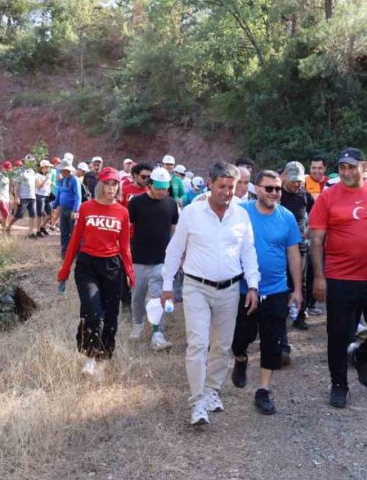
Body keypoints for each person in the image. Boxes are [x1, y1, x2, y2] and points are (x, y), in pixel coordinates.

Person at [161, 161, 260, 426]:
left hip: (229, 288)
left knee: (222, 344)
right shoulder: (192, 213)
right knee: (198, 342)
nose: (227, 192)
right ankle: (197, 402)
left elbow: (248, 251)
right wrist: (167, 286)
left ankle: (212, 390)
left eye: (232, 187)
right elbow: (174, 250)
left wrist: (253, 285)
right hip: (196, 287)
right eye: (222, 186)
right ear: (210, 183)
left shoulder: (241, 215)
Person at [310, 147, 367, 408]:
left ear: (364, 166)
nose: (346, 172)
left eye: (351, 167)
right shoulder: (327, 197)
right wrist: (319, 277)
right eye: (342, 167)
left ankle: (360, 357)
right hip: (339, 277)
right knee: (338, 334)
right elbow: (316, 240)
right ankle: (339, 385)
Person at [231, 170, 303, 415]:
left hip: (276, 290)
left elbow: (293, 254)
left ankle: (263, 390)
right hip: (242, 289)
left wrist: (297, 289)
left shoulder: (287, 217)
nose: (274, 193)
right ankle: (240, 360)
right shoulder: (241, 212)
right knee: (240, 337)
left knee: (272, 343)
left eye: (278, 189)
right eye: (269, 188)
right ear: (256, 189)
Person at [57, 167, 134, 376]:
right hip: (87, 265)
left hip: (112, 267)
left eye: (115, 184)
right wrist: (64, 271)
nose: (111, 188)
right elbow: (74, 240)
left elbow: (125, 246)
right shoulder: (86, 208)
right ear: (100, 184)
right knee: (92, 311)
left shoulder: (122, 212)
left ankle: (103, 358)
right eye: (108, 183)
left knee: (110, 316)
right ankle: (90, 358)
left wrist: (130, 274)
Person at [128, 167, 180, 351]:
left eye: (164, 188)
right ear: (149, 185)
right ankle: (138, 323)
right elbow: (128, 227)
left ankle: (158, 334)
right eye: (158, 188)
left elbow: (174, 230)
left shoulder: (172, 204)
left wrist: (174, 253)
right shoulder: (136, 203)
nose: (161, 192)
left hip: (161, 260)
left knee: (158, 297)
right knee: (138, 296)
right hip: (139, 259)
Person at [279, 161, 315, 333]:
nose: (296, 184)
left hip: (300, 246)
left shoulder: (305, 196)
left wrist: (309, 231)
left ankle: (300, 315)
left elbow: (316, 214)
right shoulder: (276, 194)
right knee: (281, 282)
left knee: (300, 282)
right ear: (284, 176)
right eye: (293, 180)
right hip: (278, 246)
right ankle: (281, 315)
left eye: (299, 181)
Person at [52, 163, 82, 256]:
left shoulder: (74, 180)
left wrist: (75, 210)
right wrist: (54, 206)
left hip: (71, 210)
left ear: (68, 170)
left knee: (73, 232)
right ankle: (65, 252)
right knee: (63, 231)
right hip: (63, 209)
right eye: (61, 170)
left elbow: (78, 196)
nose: (62, 172)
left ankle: (76, 252)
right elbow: (59, 194)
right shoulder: (63, 180)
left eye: (63, 170)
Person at [5, 156, 38, 237]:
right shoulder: (19, 172)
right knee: (19, 214)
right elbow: (16, 184)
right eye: (29, 161)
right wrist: (16, 197)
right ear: (25, 162)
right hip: (23, 196)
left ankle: (31, 233)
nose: (31, 163)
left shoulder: (32, 172)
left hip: (32, 196)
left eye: (32, 161)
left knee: (33, 214)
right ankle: (8, 226)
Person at [0, 161, 13, 230]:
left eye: (9, 169)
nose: (7, 170)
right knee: (6, 214)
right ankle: (4, 229)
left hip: (6, 198)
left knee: (5, 215)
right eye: (6, 169)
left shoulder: (7, 176)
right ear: (3, 168)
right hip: (0, 197)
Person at [34, 160, 54, 237]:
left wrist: (51, 185)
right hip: (39, 196)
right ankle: (38, 231)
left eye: (49, 167)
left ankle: (42, 226)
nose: (49, 168)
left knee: (50, 214)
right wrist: (46, 179)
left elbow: (48, 185)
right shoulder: (37, 176)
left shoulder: (48, 175)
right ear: (42, 167)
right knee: (39, 214)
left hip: (47, 196)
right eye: (47, 167)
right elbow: (38, 186)